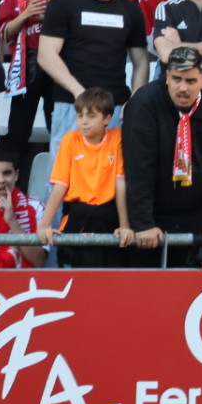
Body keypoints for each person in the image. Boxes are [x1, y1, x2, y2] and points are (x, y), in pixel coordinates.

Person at [122, 45, 202, 268]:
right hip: (153, 215)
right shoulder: (144, 104)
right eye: (177, 79)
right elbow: (138, 170)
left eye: (190, 81)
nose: (182, 88)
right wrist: (143, 223)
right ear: (167, 77)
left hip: (197, 214)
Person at [37, 0, 153, 156]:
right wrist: (79, 93)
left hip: (115, 110)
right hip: (73, 107)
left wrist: (135, 101)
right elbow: (46, 55)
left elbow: (141, 61)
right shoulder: (64, 4)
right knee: (65, 173)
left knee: (113, 174)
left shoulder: (132, 11)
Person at [0, 0, 74, 170]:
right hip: (25, 67)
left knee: (58, 129)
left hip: (56, 67)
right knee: (17, 132)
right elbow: (4, 33)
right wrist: (25, 15)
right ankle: (13, 186)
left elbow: (75, 26)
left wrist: (47, 18)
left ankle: (62, 181)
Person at [36, 87, 132, 268]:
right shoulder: (69, 140)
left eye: (91, 116)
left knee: (109, 276)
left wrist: (124, 225)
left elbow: (120, 184)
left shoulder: (117, 138)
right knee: (74, 276)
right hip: (76, 217)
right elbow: (60, 186)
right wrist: (44, 225)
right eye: (80, 116)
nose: (84, 122)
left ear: (107, 119)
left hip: (108, 220)